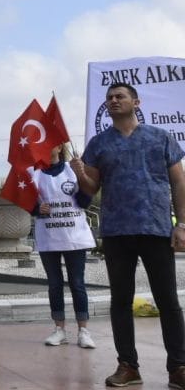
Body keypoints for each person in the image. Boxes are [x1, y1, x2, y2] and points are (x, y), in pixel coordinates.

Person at [73, 82, 185, 388]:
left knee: (168, 301)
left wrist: (182, 225)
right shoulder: (99, 143)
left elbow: (179, 182)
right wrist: (79, 172)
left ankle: (178, 367)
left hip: (156, 228)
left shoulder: (160, 137)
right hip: (117, 231)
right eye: (109, 98)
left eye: (119, 96)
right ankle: (128, 366)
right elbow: (90, 189)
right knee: (120, 301)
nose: (113, 101)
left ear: (136, 102)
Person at [31, 144, 96, 349]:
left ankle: (83, 330)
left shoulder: (72, 169)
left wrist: (81, 173)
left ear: (58, 147)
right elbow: (26, 201)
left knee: (77, 283)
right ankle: (59, 329)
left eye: (49, 143)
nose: (45, 147)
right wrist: (36, 208)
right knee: (54, 284)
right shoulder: (34, 173)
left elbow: (85, 201)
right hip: (49, 236)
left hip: (74, 237)